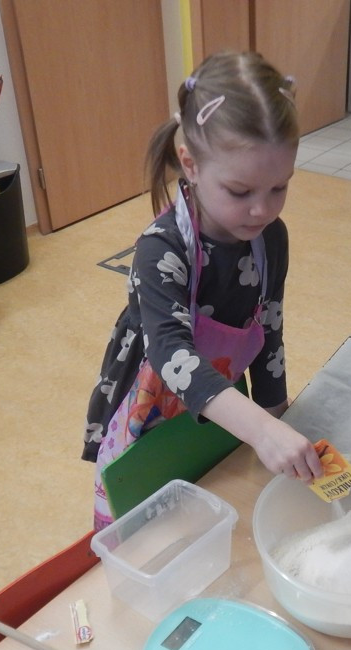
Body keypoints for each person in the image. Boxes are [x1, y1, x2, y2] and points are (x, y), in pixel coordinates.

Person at [83, 51, 321, 529]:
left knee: (212, 500)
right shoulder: (160, 249)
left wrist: (275, 417)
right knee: (148, 524)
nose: (262, 210)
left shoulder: (271, 239)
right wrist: (261, 430)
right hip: (151, 403)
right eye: (240, 191)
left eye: (279, 188)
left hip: (221, 401)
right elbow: (172, 355)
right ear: (190, 164)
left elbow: (269, 330)